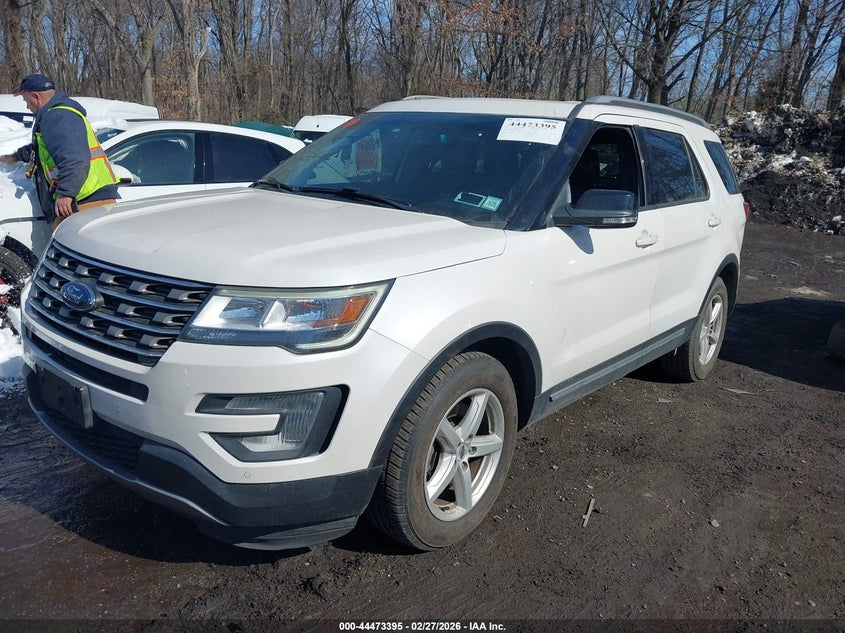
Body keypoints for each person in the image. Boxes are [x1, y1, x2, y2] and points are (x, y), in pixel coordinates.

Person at [0, 73, 119, 230]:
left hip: (85, 200)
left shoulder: (58, 116)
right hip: (83, 198)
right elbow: (44, 149)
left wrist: (65, 193)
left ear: (36, 97)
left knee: (77, 251)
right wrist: (13, 157)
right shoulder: (59, 115)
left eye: (26, 100)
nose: (27, 106)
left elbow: (75, 158)